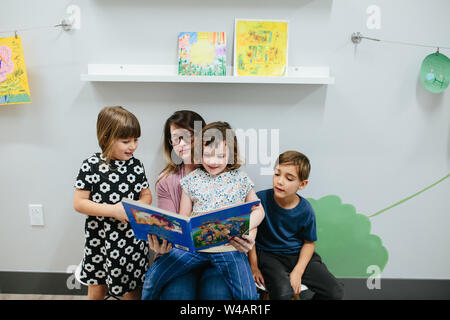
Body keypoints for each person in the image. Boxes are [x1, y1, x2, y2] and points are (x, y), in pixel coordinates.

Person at [142, 121, 265, 300]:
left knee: (248, 295)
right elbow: (183, 218)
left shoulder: (240, 178)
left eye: (221, 155)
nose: (214, 161)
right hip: (194, 247)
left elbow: (259, 210)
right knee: (153, 277)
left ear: (232, 154)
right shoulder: (191, 181)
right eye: (207, 155)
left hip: (228, 248)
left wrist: (247, 227)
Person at [73, 106, 152, 300]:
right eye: (126, 141)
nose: (132, 146)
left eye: (135, 140)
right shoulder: (91, 165)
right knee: (97, 284)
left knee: (132, 285)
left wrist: (138, 207)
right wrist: (113, 210)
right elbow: (79, 203)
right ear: (106, 138)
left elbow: (146, 195)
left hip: (131, 240)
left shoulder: (136, 165)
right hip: (100, 239)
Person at [249, 150, 344, 300]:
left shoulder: (305, 210)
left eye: (289, 178)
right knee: (283, 293)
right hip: (268, 255)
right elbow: (251, 236)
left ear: (302, 184)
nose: (280, 181)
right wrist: (253, 266)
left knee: (335, 292)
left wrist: (298, 271)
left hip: (297, 255)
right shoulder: (260, 199)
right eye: (277, 174)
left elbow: (309, 243)